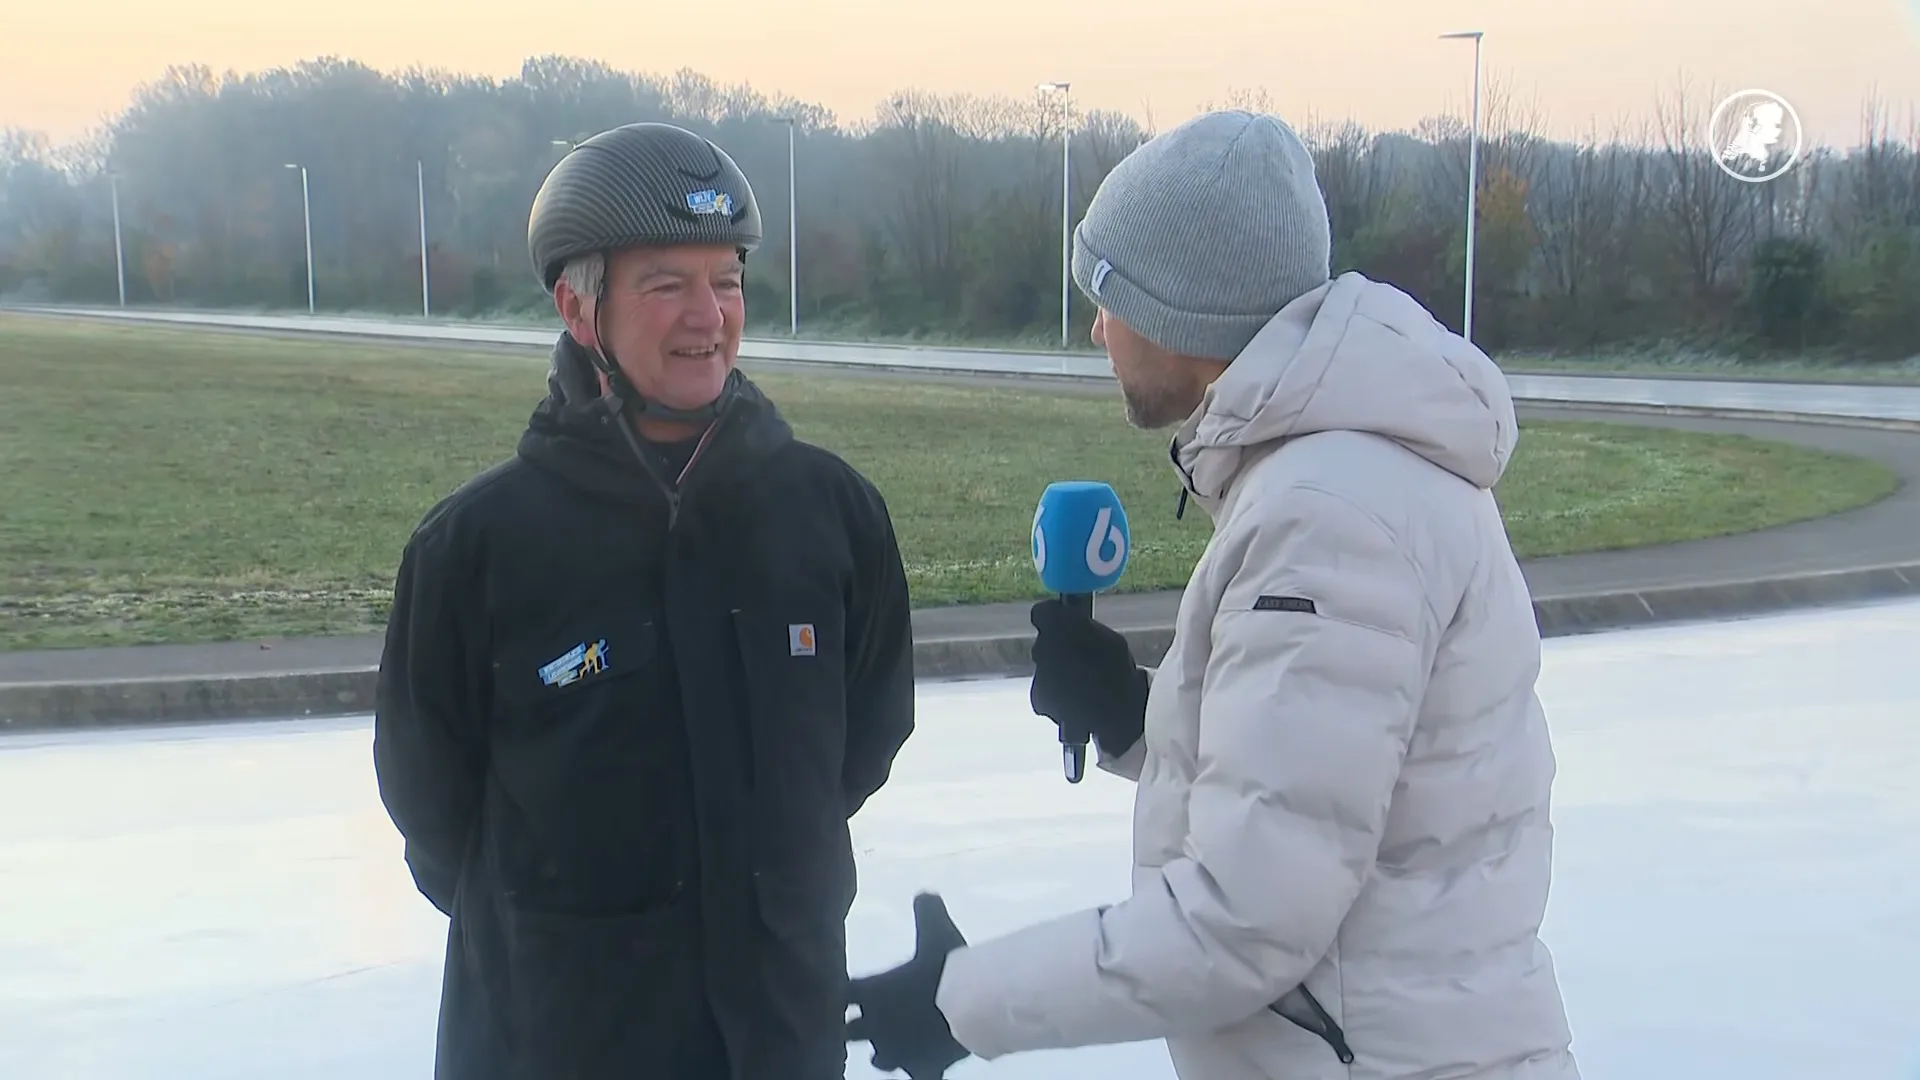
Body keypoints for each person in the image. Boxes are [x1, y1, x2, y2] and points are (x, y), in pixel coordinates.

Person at [846, 110, 1579, 1079]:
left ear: (1180, 307)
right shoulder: (1332, 477)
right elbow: (1329, 795)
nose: (1098, 327)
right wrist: (1140, 725)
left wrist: (962, 1000)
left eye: (1108, 296)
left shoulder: (1330, 516)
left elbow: (1243, 925)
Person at [372, 121, 917, 1080]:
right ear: (579, 309)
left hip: (778, 1036)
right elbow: (432, 808)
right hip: (556, 1039)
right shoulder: (477, 549)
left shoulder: (832, 516)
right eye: (666, 284)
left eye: (728, 280)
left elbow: (862, 740)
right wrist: (572, 923)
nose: (708, 315)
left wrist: (761, 875)